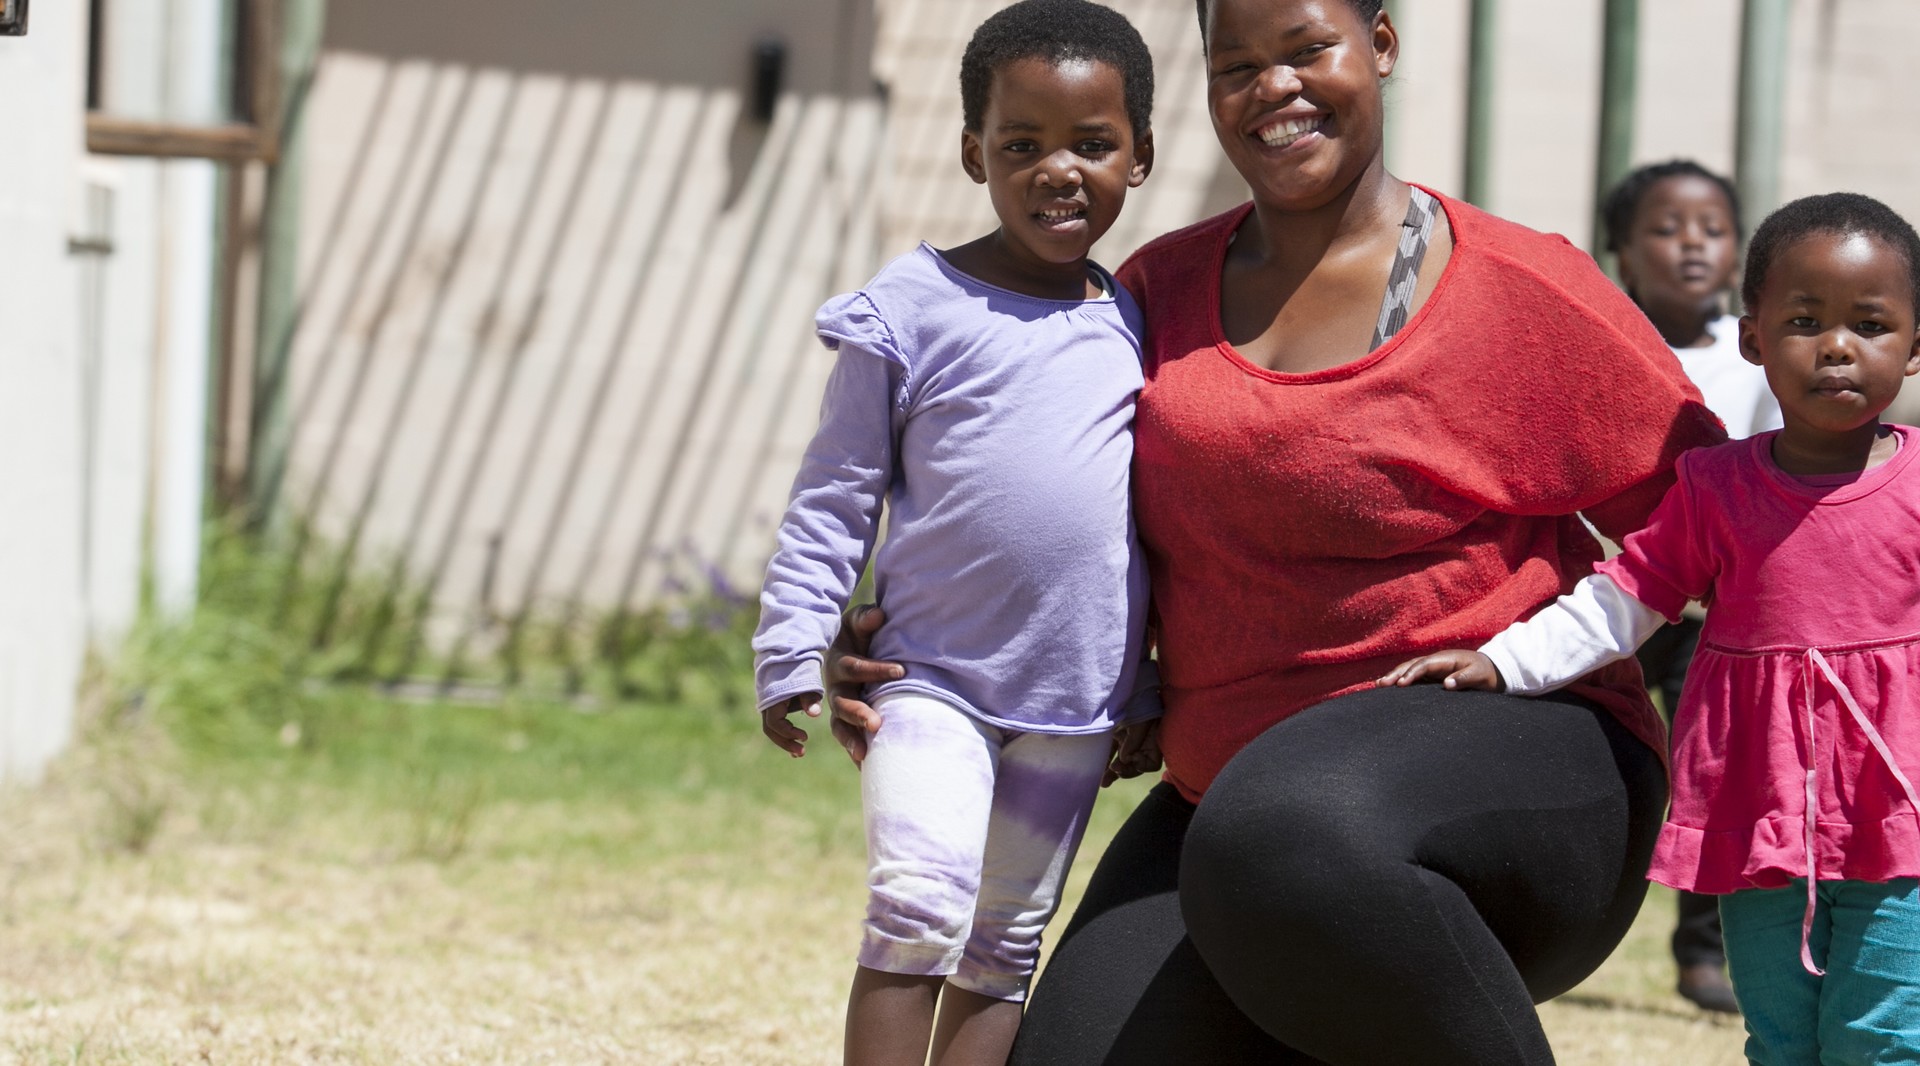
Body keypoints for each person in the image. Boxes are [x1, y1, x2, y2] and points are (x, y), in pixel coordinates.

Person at [829, 1, 1723, 1061]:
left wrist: (1544, 652)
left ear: (1381, 47)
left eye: (1309, 50)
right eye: (1238, 65)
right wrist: (909, 640)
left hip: (1526, 775)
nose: (1276, 88)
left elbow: (1719, 521)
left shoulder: (1521, 292)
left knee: (1287, 827)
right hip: (1233, 808)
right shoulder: (1153, 294)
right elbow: (1036, 501)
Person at [1381, 191, 1920, 1064]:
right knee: (1783, 1040)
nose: (1837, 346)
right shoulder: (1716, 487)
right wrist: (1505, 663)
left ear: (1917, 345)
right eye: (1805, 320)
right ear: (1752, 342)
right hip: (1762, 817)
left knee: (1884, 1040)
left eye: (1870, 323)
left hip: (1902, 820)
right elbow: (1622, 600)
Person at [749, 3, 1162, 1063]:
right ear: (974, 153)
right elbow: (836, 490)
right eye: (1021, 145)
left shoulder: (1138, 325)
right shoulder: (911, 307)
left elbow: (1159, 525)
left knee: (1004, 942)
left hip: (1074, 705)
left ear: (1142, 156)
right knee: (919, 908)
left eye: (1092, 144)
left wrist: (1158, 681)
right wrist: (795, 647)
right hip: (929, 682)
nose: (1057, 170)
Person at [1601, 158, 1780, 1013]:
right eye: (1667, 230)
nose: (1693, 246)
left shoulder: (1756, 365)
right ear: (1622, 254)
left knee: (1712, 778)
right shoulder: (1602, 348)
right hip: (1611, 599)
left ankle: (1703, 954)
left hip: (1710, 611)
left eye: (1712, 230)